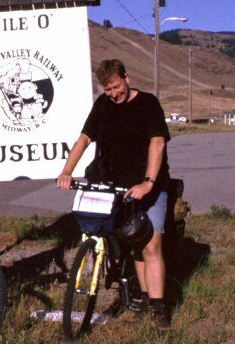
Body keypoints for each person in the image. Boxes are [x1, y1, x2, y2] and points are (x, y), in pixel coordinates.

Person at [56, 59, 172, 328]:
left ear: (127, 78)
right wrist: (66, 171)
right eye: (107, 90)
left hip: (149, 186)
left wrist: (148, 182)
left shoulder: (148, 104)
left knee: (151, 245)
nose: (113, 94)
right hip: (117, 189)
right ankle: (144, 302)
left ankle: (159, 312)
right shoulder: (103, 105)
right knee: (134, 243)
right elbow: (84, 138)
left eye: (116, 87)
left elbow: (157, 141)